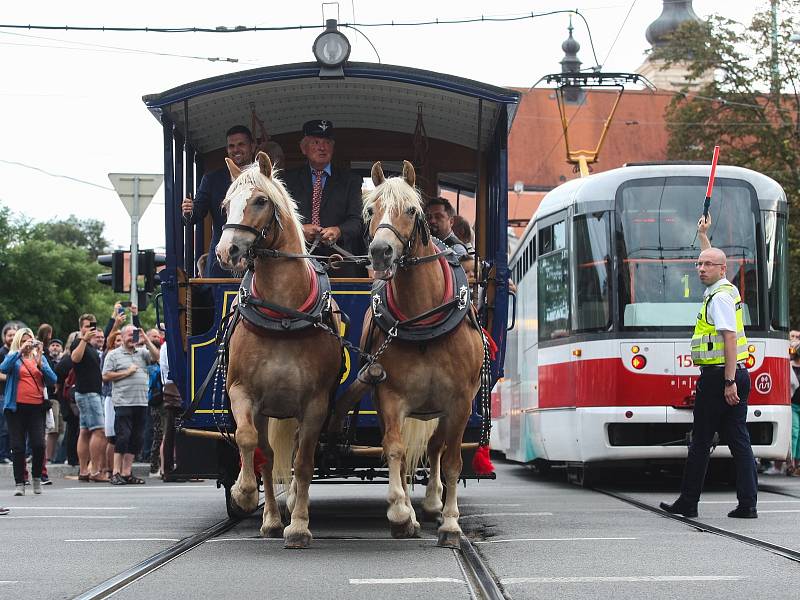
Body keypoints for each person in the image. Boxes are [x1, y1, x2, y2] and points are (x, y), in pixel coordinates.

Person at [661, 215, 758, 519]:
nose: (700, 268)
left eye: (706, 265)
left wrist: (728, 382)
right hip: (734, 374)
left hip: (721, 378)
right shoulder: (726, 289)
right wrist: (703, 235)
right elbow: (714, 256)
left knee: (701, 441)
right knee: (739, 439)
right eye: (698, 264)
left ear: (722, 269)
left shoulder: (719, 298)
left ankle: (688, 502)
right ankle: (748, 505)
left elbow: (729, 338)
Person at [282, 119, 366, 277]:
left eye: (327, 142)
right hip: (298, 262)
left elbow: (356, 222)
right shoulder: (287, 180)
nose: (322, 147)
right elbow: (280, 220)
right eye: (315, 142)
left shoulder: (351, 181)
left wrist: (338, 231)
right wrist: (299, 230)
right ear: (304, 148)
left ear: (333, 148)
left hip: (339, 263)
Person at [181, 125, 257, 277]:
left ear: (252, 146)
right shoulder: (212, 180)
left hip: (257, 262)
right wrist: (188, 210)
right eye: (231, 146)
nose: (236, 150)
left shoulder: (262, 179)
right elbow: (197, 214)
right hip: (222, 263)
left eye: (241, 144)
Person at [1, 328, 56, 496]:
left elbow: (53, 379)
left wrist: (40, 362)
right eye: (24, 340)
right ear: (18, 341)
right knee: (17, 447)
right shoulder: (13, 357)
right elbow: (3, 367)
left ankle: (37, 478)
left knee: (39, 445)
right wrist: (19, 351)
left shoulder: (40, 358)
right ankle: (20, 483)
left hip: (36, 408)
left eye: (30, 340)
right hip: (15, 408)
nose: (28, 343)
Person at [102, 325, 160, 485]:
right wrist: (126, 373)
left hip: (141, 401)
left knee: (137, 438)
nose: (131, 337)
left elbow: (157, 356)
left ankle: (127, 472)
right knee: (123, 436)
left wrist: (145, 338)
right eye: (128, 334)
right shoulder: (113, 355)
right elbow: (105, 376)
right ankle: (116, 472)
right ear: (121, 335)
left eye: (133, 334)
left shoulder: (142, 352)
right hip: (123, 401)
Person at [70, 314, 108, 482]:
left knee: (85, 431)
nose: (89, 330)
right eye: (86, 326)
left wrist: (114, 319)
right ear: (80, 327)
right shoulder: (79, 343)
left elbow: (107, 337)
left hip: (91, 392)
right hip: (88, 393)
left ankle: (85, 471)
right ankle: (95, 471)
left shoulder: (92, 347)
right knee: (99, 431)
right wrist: (84, 339)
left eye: (92, 326)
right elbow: (74, 358)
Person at [0, 322, 20, 465]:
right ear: (4, 337)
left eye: (15, 335)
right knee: (4, 426)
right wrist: (13, 378)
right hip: (3, 394)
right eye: (10, 335)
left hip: (17, 394)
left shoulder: (19, 353)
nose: (12, 338)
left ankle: (12, 453)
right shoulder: (2, 353)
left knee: (14, 426)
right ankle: (3, 454)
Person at [789, 339, 800, 477]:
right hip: (793, 404)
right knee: (795, 432)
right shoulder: (789, 366)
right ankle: (791, 462)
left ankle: (798, 463)